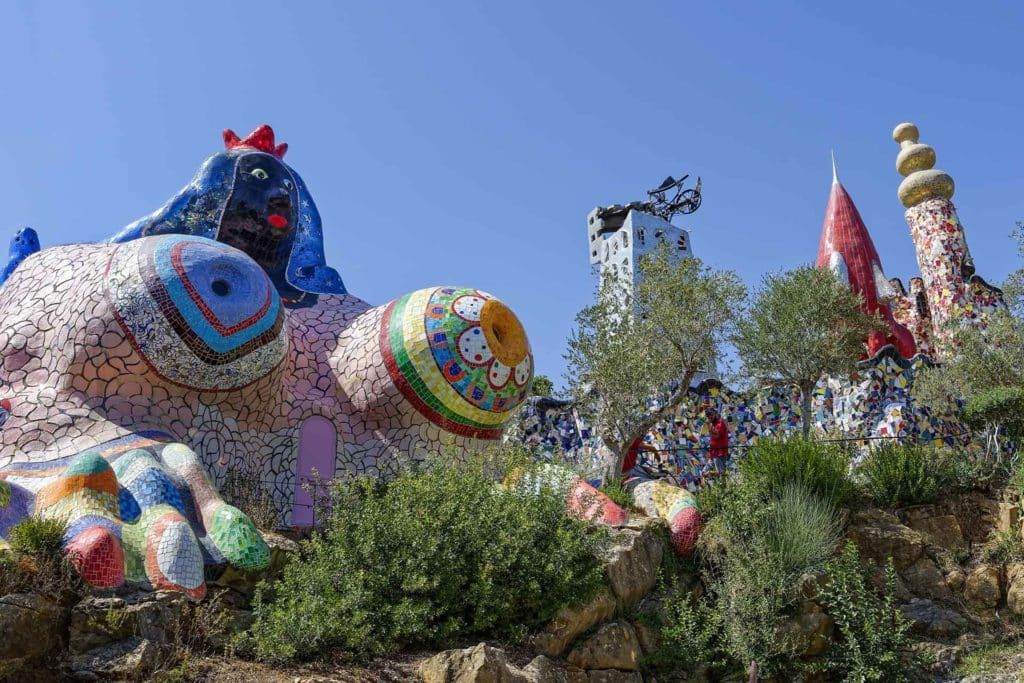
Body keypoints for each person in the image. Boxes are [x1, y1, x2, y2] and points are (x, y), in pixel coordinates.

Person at [707, 407, 729, 478]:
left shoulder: (720, 423)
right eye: (708, 416)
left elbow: (716, 436)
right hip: (713, 453)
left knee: (720, 473)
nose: (710, 417)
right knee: (708, 473)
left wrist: (709, 427)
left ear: (715, 414)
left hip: (720, 453)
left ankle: (723, 487)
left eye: (712, 415)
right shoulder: (713, 425)